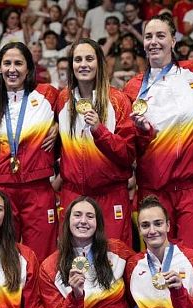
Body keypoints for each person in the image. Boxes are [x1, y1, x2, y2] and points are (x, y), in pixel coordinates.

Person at [125, 13, 193, 254]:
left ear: (173, 41)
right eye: (148, 36)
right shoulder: (133, 87)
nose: (153, 41)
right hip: (153, 187)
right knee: (159, 260)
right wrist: (142, 133)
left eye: (160, 35)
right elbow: (127, 141)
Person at [57, 38, 135, 246]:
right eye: (78, 59)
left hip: (110, 195)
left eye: (89, 59)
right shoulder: (62, 99)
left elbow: (127, 155)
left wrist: (99, 130)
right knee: (73, 263)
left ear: (100, 63)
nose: (83, 64)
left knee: (115, 261)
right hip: (72, 194)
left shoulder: (118, 100)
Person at [0, 42, 59, 262]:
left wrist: (59, 126)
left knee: (41, 255)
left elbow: (73, 110)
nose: (12, 69)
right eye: (7, 63)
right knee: (2, 255)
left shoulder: (49, 95)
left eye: (18, 63)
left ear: (29, 68)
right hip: (1, 188)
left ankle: (40, 297)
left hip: (37, 187)